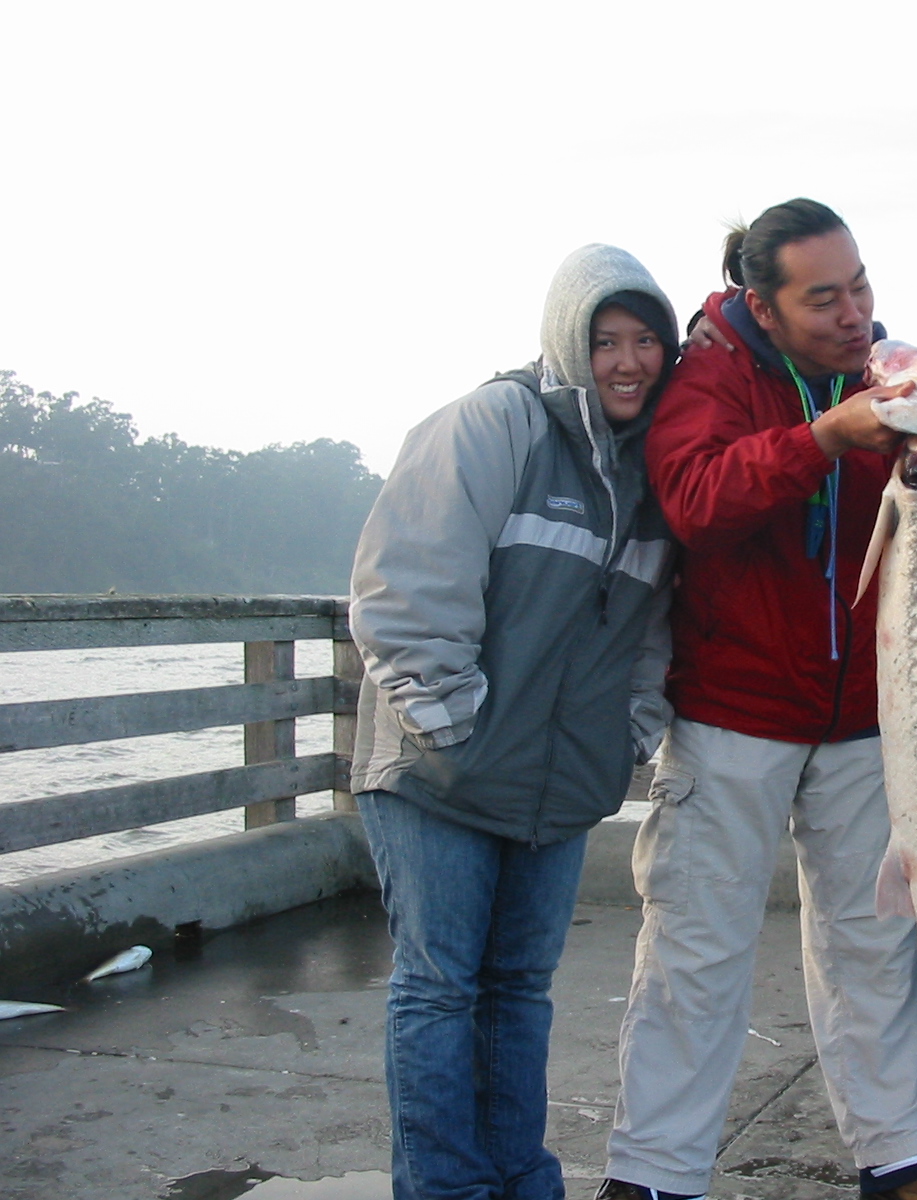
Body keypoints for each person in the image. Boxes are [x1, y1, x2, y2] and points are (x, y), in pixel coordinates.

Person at [597, 198, 917, 1200]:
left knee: (874, 945)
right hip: (731, 716)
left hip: (862, 724)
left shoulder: (885, 370)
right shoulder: (707, 371)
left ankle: (901, 1152)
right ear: (761, 301)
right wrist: (826, 436)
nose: (853, 312)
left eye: (862, 286)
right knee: (696, 952)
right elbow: (695, 499)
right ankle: (655, 1173)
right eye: (824, 297)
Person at [348, 243, 679, 1200]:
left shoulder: (654, 472)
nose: (626, 361)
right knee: (439, 989)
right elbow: (402, 587)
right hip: (437, 778)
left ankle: (521, 1180)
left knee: (519, 997)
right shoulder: (495, 425)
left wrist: (626, 739)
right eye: (605, 340)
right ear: (567, 340)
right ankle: (447, 1188)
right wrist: (454, 729)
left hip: (557, 788)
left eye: (645, 341)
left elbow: (654, 636)